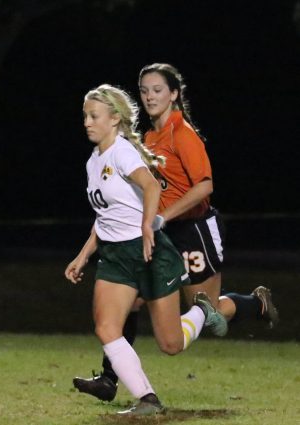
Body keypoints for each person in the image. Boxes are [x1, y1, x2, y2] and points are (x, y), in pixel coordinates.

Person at [72, 63, 280, 403]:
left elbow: (205, 186)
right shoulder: (144, 139)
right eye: (144, 90)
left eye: (158, 89)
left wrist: (160, 217)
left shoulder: (182, 134)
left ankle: (255, 303)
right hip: (157, 232)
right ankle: (110, 377)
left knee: (207, 312)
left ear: (174, 94)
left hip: (193, 230)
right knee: (130, 301)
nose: (150, 96)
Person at [64, 84, 227, 416]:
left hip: (148, 251)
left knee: (170, 344)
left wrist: (147, 225)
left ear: (114, 119)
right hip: (114, 257)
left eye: (93, 116)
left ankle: (202, 311)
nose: (86, 122)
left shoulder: (122, 152)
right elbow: (104, 217)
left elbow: (151, 186)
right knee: (106, 328)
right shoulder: (93, 161)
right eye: (84, 116)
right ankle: (147, 399)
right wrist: (83, 255)